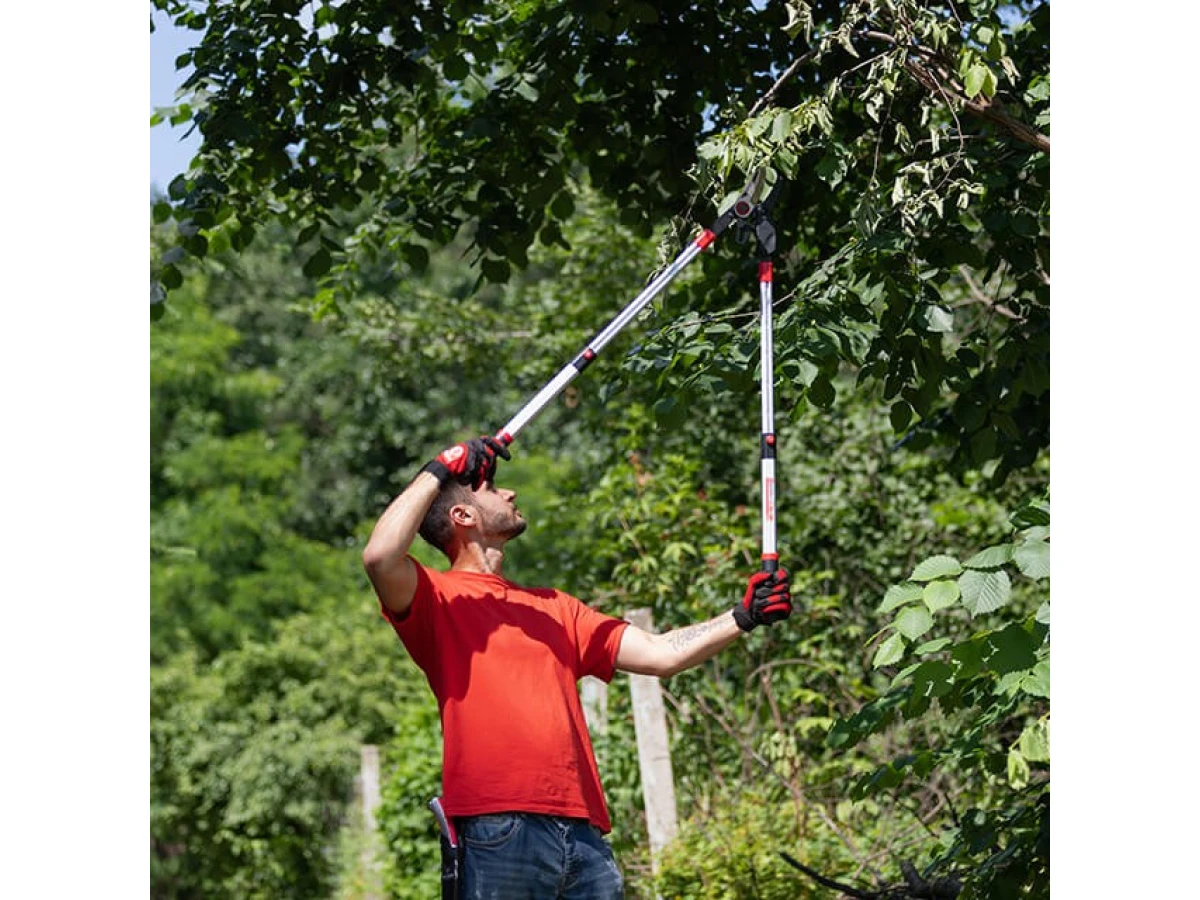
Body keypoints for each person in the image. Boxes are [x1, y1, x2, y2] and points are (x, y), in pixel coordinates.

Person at [363, 435, 793, 900]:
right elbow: (379, 556)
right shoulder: (435, 598)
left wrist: (742, 617)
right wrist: (441, 468)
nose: (509, 493)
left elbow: (663, 654)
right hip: (497, 830)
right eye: (493, 489)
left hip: (584, 836)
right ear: (462, 516)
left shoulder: (555, 607)